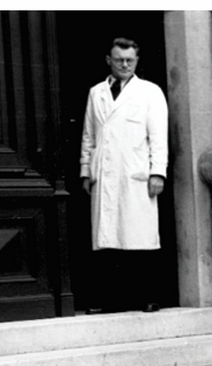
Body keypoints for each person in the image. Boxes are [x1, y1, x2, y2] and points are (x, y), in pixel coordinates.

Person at [80, 37, 168, 313]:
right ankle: (109, 301)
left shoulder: (149, 92)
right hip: (104, 176)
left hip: (136, 175)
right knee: (108, 240)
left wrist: (158, 173)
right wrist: (86, 170)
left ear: (137, 61)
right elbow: (89, 136)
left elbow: (158, 137)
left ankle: (148, 297)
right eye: (119, 60)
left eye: (130, 60)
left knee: (139, 238)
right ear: (109, 60)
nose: (125, 65)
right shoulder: (97, 92)